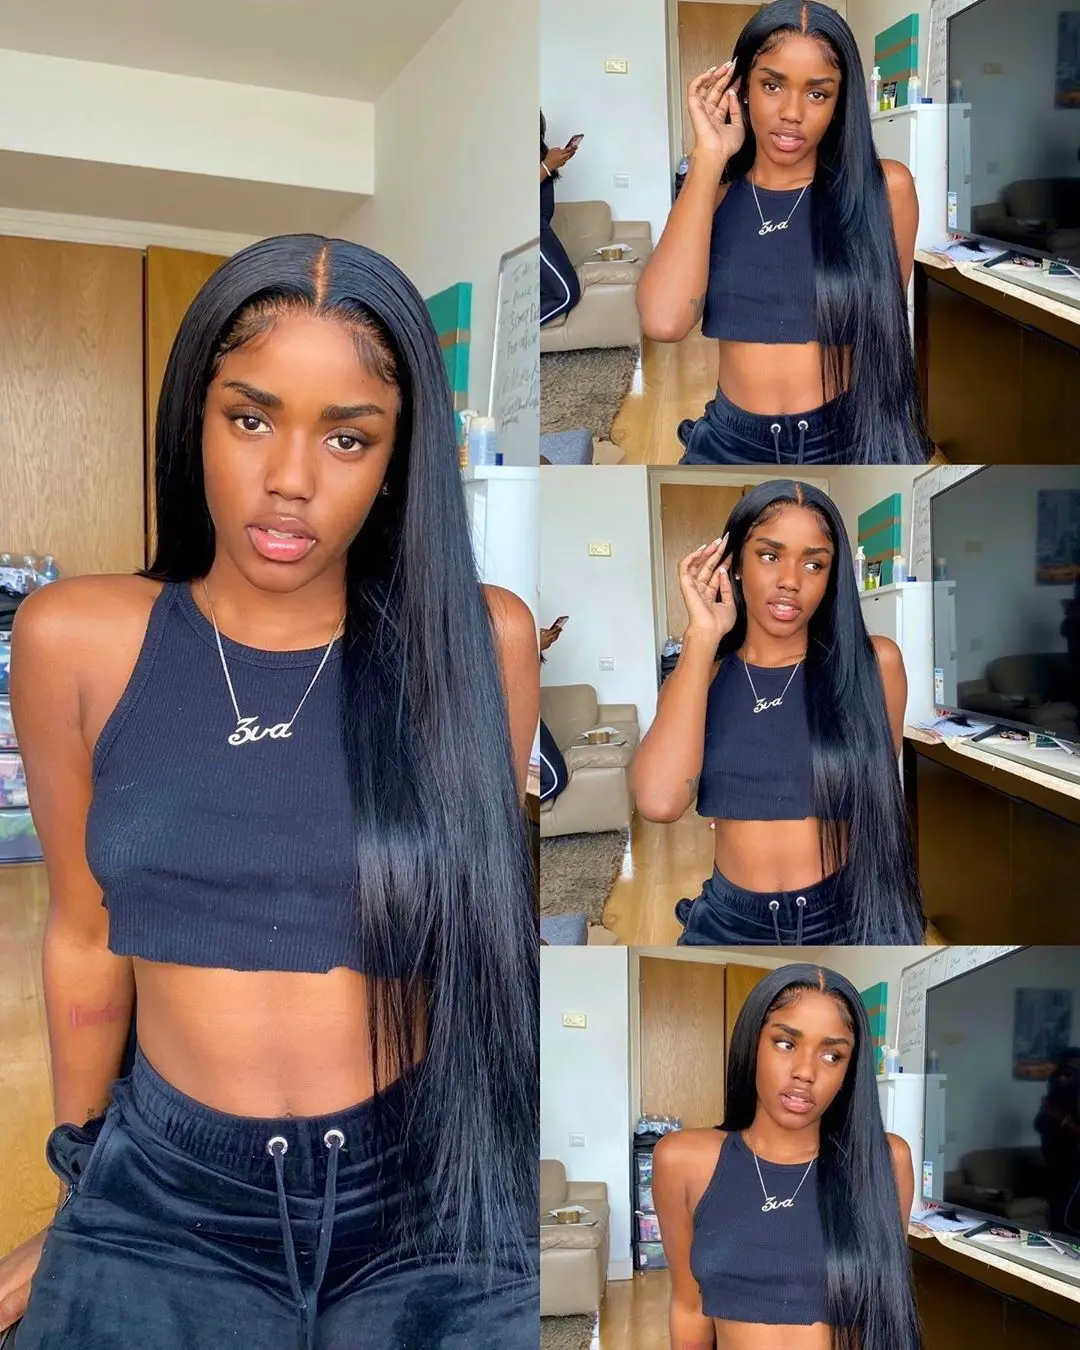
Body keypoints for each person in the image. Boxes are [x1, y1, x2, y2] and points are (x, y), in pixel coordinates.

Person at [0, 235, 539, 1349]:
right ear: (196, 417)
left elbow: (481, 944)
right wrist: (83, 1193)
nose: (291, 479)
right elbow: (86, 936)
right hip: (165, 1195)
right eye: (251, 419)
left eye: (347, 437)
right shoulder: (75, 640)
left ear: (397, 459)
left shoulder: (478, 647)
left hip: (431, 1200)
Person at [629, 480, 923, 945]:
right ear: (734, 565)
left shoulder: (873, 666)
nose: (791, 580)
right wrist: (702, 635)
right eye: (770, 555)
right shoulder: (700, 677)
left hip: (846, 914)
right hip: (730, 921)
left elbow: (872, 794)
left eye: (814, 563)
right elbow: (658, 802)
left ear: (831, 577)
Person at [636, 0, 929, 465]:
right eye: (772, 85)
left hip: (846, 438)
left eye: (818, 94)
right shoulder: (713, 199)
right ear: (741, 89)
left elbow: (879, 329)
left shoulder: (884, 191)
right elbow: (663, 321)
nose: (792, 112)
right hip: (730, 443)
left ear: (839, 103)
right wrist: (708, 155)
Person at [653, 963, 920, 1350]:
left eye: (832, 1056)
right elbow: (689, 1308)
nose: (805, 1072)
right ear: (753, 1044)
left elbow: (885, 1306)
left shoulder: (884, 1162)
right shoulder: (683, 1160)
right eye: (785, 1043)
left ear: (850, 1071)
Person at [540, 112, 583, 327]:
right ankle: (508, 336)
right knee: (566, 293)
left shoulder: (537, 150)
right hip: (530, 229)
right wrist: (547, 166)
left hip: (540, 227)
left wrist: (553, 163)